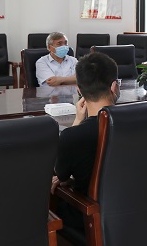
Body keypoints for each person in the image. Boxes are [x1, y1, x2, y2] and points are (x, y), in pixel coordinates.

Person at [50, 52, 120, 233]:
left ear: (79, 90)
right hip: (136, 211)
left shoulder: (73, 136)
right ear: (114, 86)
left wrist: (76, 122)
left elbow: (60, 176)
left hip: (90, 220)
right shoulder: (139, 123)